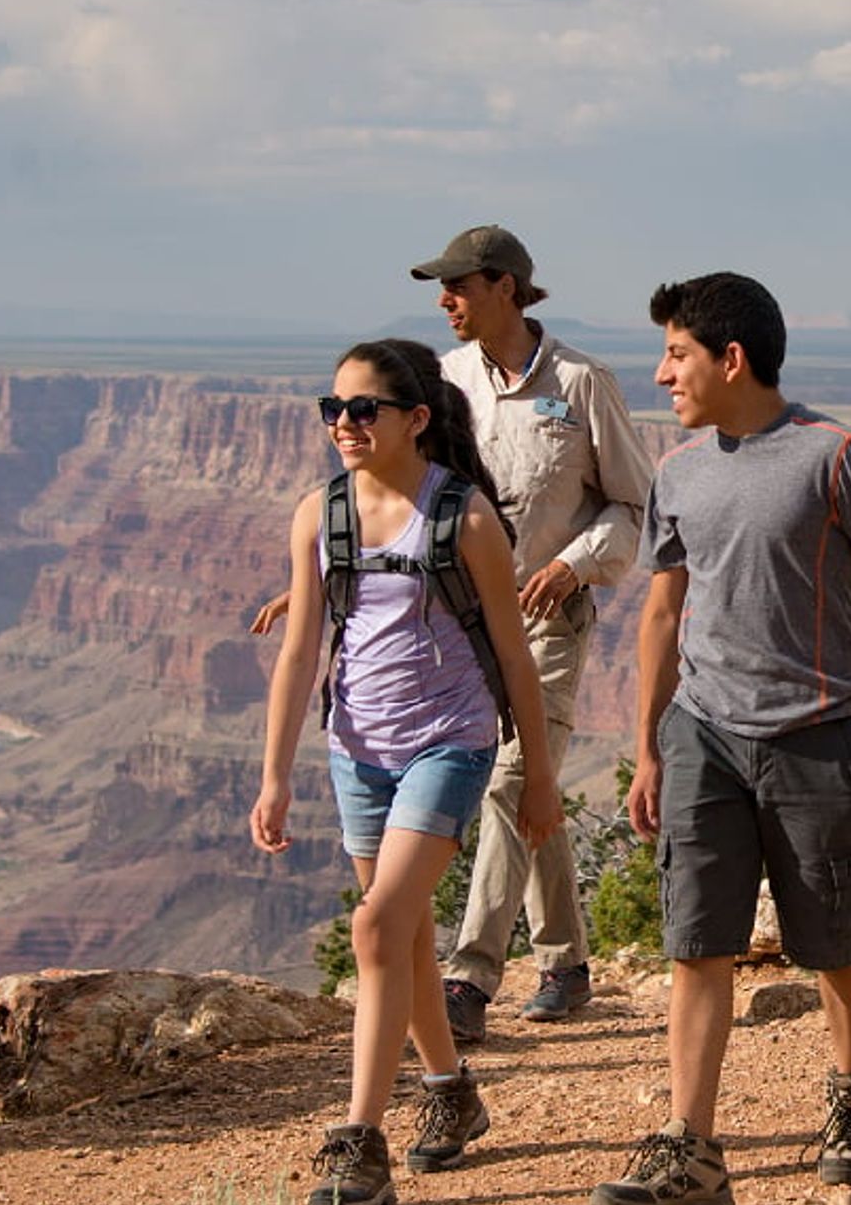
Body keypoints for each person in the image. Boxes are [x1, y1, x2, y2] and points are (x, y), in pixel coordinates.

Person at [588, 272, 851, 1205]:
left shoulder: (835, 456)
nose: (662, 375)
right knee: (697, 942)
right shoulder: (681, 469)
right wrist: (651, 745)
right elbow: (662, 610)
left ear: (729, 358)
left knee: (832, 938)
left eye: (676, 355)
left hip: (816, 732)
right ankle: (692, 1148)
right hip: (704, 733)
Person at [255, 226, 653, 1039]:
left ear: (506, 287)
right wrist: (321, 583)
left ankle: (469, 976)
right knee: (521, 791)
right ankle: (567, 960)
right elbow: (387, 501)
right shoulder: (444, 383)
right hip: (439, 627)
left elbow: (631, 505)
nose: (444, 300)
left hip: (539, 614)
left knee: (514, 781)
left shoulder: (582, 382)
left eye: (459, 285)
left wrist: (574, 564)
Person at [249, 338, 562, 1205]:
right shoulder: (320, 514)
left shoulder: (462, 520)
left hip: (448, 744)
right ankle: (451, 1089)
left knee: (377, 923)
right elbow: (303, 649)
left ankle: (361, 1143)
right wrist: (275, 777)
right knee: (405, 936)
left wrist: (539, 777)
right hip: (356, 749)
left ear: (414, 419)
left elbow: (513, 655)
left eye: (362, 410)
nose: (343, 425)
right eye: (333, 410)